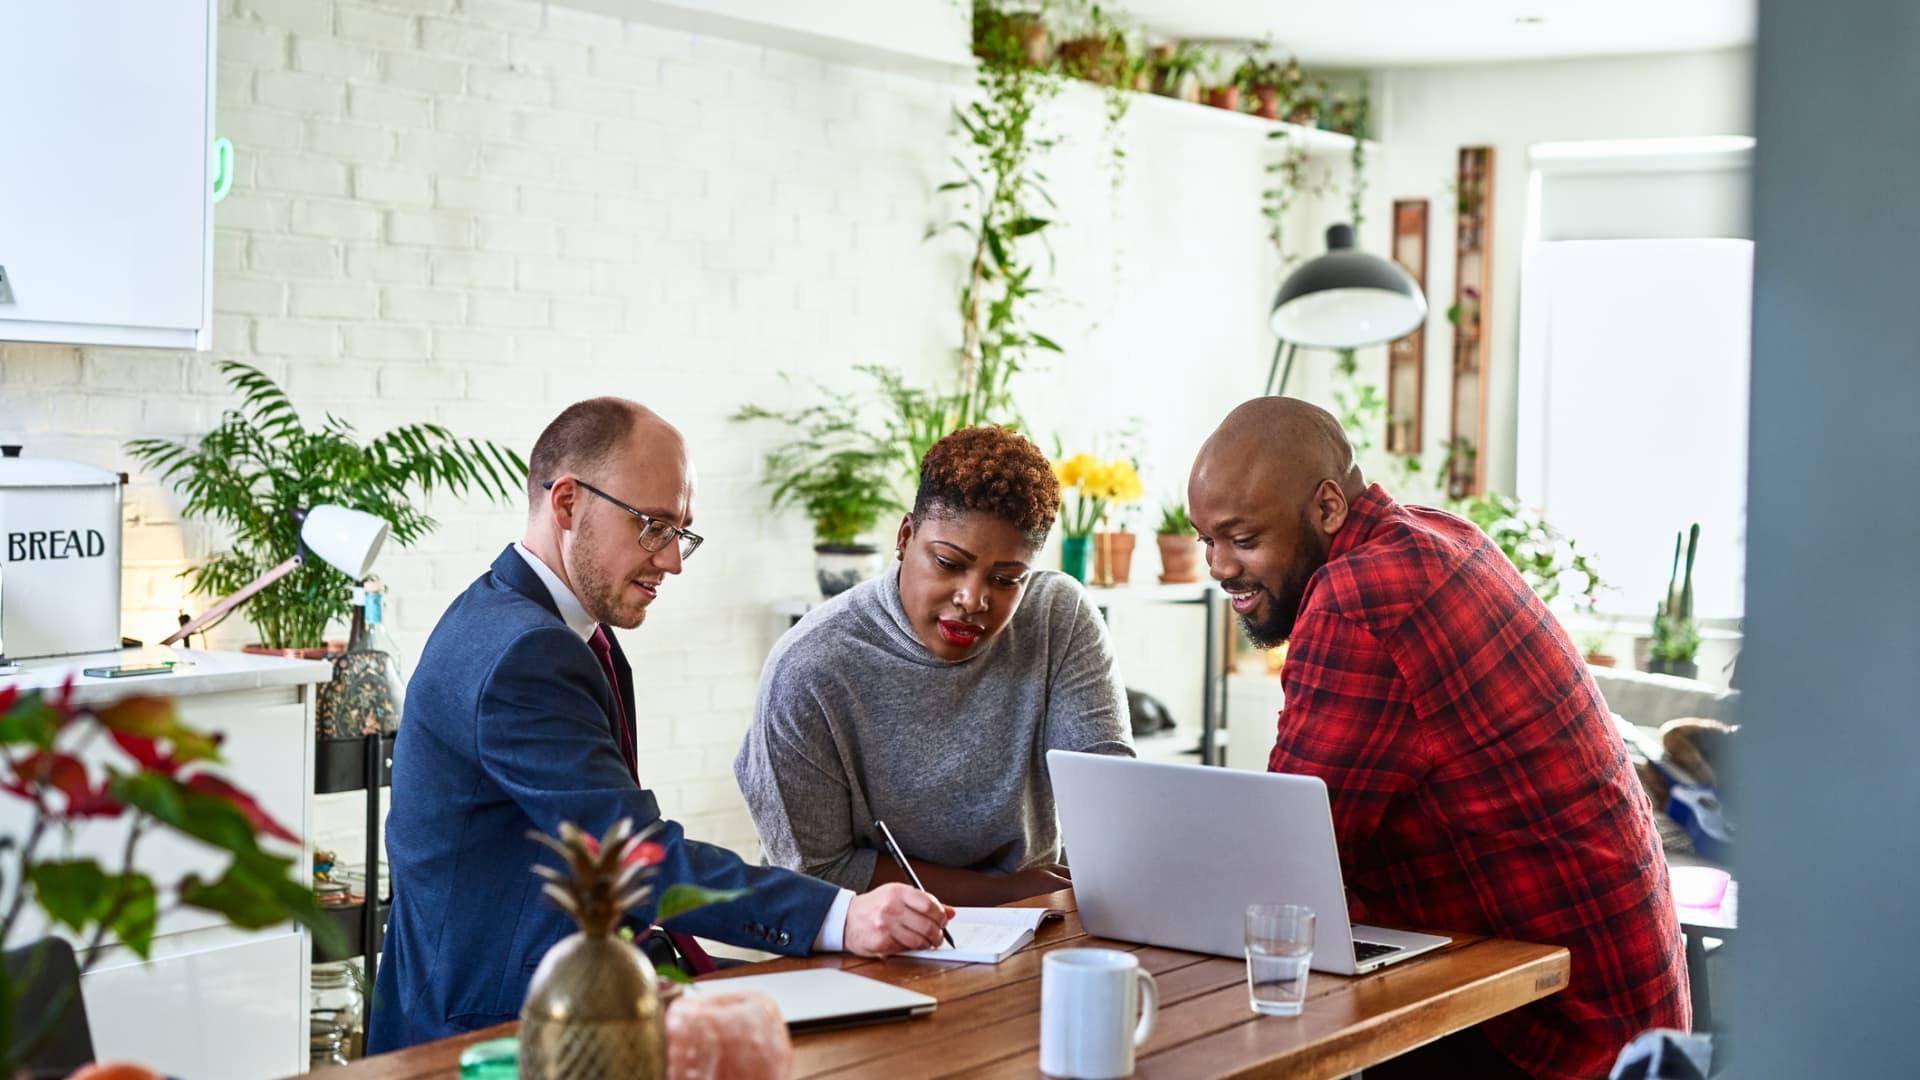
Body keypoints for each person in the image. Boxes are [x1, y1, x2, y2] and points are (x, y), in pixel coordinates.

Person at [369, 398, 951, 1052]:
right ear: (567, 504)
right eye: (652, 526)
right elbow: (633, 858)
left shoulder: (536, 622)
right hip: (491, 1030)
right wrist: (842, 915)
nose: (672, 560)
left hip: (567, 981)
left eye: (681, 532)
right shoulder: (525, 653)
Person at [1187, 398, 1688, 1080]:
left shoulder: (1359, 598)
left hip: (1553, 1031)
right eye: (1205, 540)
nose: (1219, 566)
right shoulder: (1442, 534)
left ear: (1328, 506)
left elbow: (1287, 863)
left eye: (1243, 539)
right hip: (1631, 1011)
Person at [735, 426, 1133, 906]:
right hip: (866, 933)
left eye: (1006, 579)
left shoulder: (1057, 616)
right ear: (905, 538)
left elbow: (1107, 799)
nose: (972, 599)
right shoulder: (809, 667)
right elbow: (814, 871)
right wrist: (1003, 892)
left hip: (1035, 921)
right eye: (948, 563)